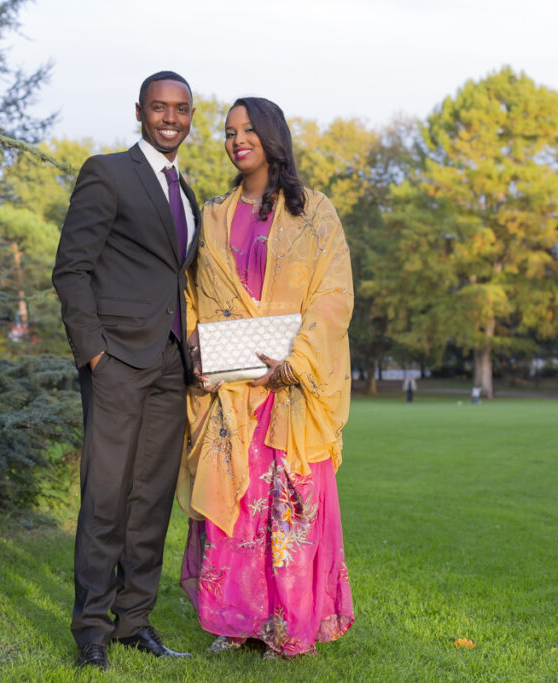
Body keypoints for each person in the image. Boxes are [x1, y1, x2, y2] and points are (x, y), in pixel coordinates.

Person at [177, 97, 354, 659]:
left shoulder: (315, 212)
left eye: (249, 130)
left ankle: (289, 626)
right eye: (229, 132)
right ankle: (237, 621)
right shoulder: (212, 214)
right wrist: (197, 355)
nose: (236, 140)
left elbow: (333, 296)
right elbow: (192, 295)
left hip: (290, 388)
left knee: (291, 506)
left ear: (273, 136)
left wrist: (296, 362)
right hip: (231, 393)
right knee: (238, 504)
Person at [52, 71, 201, 671]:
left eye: (182, 109)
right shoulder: (106, 172)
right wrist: (93, 353)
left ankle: (134, 620)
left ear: (191, 116)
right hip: (115, 360)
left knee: (152, 498)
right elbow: (71, 269)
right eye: (160, 108)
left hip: (170, 365)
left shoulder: (185, 191)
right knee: (107, 497)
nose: (171, 118)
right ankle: (90, 628)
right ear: (139, 111)